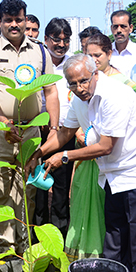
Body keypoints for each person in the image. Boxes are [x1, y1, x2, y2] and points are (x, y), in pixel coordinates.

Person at [29, 54, 136, 272]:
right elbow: (66, 132)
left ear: (95, 74)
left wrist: (65, 156)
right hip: (112, 172)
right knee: (114, 229)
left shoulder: (115, 95)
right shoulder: (80, 100)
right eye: (72, 84)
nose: (80, 88)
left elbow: (105, 146)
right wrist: (40, 152)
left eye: (83, 81)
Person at [0, 0, 59, 253]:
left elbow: (51, 91)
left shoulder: (40, 51)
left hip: (31, 129)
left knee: (26, 189)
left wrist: (53, 128)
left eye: (18, 19)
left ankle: (24, 244)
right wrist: (1, 120)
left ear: (25, 20)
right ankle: (5, 245)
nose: (14, 24)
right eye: (8, 20)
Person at [36, 18, 74, 234]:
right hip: (40, 133)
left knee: (61, 187)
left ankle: (60, 231)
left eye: (65, 40)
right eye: (56, 40)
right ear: (46, 39)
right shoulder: (38, 64)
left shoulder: (73, 64)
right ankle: (39, 231)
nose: (60, 44)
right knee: (39, 184)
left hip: (65, 134)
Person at [109, 10, 136, 76]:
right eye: (115, 27)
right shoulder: (105, 53)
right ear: (111, 28)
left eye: (123, 26)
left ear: (130, 28)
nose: (119, 30)